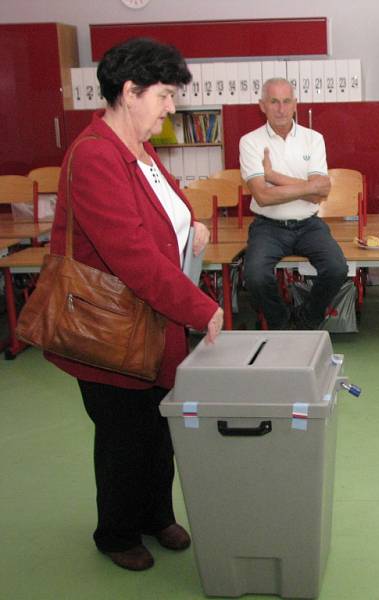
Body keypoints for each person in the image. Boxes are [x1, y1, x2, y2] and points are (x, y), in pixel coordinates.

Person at [47, 38, 224, 571]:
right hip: (111, 328)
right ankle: (117, 532)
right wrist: (201, 308)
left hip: (151, 321)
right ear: (130, 92)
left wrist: (193, 222)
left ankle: (154, 515)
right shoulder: (97, 155)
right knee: (124, 437)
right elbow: (134, 257)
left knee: (158, 429)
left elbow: (171, 205)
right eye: (165, 96)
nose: (171, 108)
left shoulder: (139, 151)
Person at [240, 78, 348, 330]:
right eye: (274, 101)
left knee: (336, 268)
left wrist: (273, 177)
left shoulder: (313, 139)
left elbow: (319, 194)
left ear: (295, 104)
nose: (280, 108)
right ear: (262, 105)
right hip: (268, 226)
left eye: (286, 101)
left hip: (308, 224)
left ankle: (305, 321)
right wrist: (308, 187)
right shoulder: (250, 142)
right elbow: (262, 197)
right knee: (254, 276)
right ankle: (281, 323)